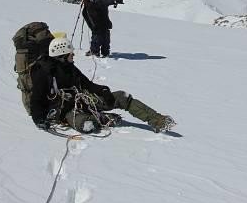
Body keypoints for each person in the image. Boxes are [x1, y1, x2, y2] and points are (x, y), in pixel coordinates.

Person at [30, 37, 175, 134]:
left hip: (82, 101)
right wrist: (39, 120)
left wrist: (102, 90)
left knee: (121, 97)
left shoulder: (70, 68)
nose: (73, 55)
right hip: (64, 111)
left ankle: (158, 120)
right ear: (62, 54)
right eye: (70, 53)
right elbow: (36, 99)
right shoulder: (45, 73)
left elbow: (87, 84)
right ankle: (104, 118)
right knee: (86, 125)